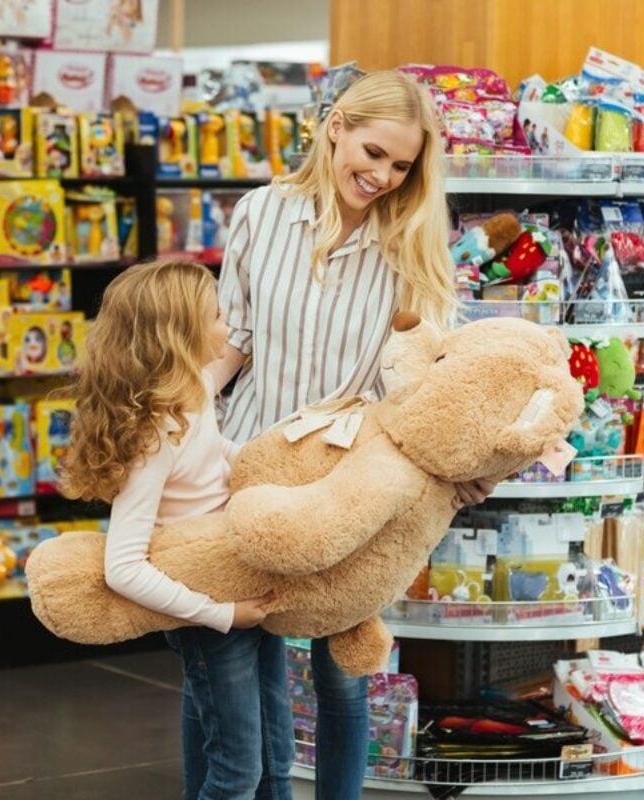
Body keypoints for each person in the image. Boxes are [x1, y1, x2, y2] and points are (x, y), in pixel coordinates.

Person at [210, 70, 497, 799]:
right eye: (373, 152)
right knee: (237, 664)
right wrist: (177, 424)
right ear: (335, 125)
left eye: (401, 166)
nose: (382, 176)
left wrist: (465, 461)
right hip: (249, 461)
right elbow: (232, 338)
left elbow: (433, 372)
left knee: (342, 673)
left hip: (354, 483)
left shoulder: (414, 245)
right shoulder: (260, 214)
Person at [59, 260, 292, 800]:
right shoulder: (156, 432)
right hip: (211, 612)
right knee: (237, 769)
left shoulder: (194, 395)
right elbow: (123, 567)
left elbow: (211, 459)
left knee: (276, 759)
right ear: (180, 333)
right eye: (215, 314)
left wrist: (260, 470)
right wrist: (220, 616)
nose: (227, 323)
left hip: (246, 589)